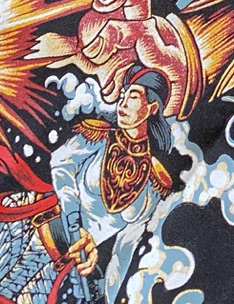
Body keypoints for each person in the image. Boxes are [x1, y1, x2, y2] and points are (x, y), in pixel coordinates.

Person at [50, 66, 176, 302]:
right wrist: (74, 222)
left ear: (152, 108)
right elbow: (60, 164)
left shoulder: (155, 181)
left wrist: (107, 296)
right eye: (123, 95)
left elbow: (125, 247)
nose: (122, 103)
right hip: (49, 233)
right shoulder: (97, 136)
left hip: (82, 265)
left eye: (133, 97)